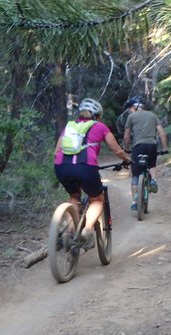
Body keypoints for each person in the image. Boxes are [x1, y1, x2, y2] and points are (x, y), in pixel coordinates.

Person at [53, 98, 130, 247]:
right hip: (85, 167)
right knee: (97, 199)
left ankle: (69, 232)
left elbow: (57, 151)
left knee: (74, 196)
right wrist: (126, 160)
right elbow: (116, 149)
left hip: (62, 166)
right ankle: (87, 231)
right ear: (97, 115)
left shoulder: (69, 127)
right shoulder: (100, 127)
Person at [122, 96, 169, 210]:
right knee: (152, 164)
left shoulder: (131, 117)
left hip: (138, 147)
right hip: (151, 146)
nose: (129, 110)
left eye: (130, 108)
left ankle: (134, 201)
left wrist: (126, 149)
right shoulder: (153, 115)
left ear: (135, 107)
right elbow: (162, 133)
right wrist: (164, 148)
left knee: (135, 175)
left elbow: (126, 136)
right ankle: (153, 180)